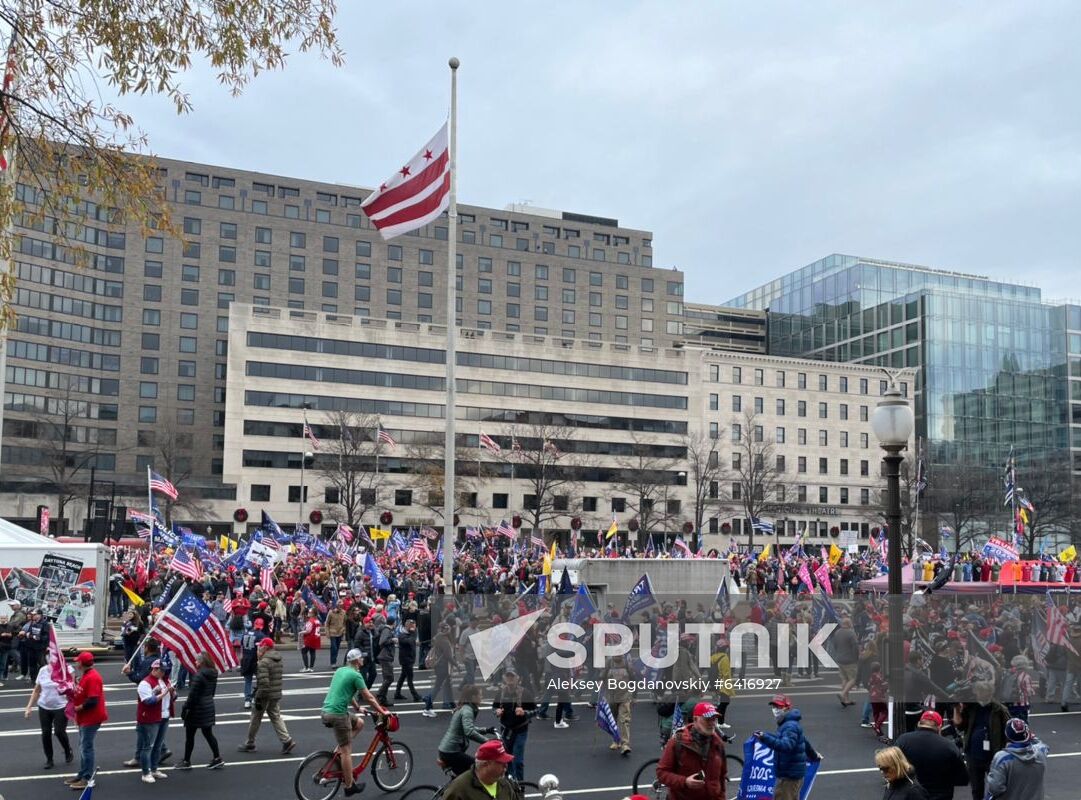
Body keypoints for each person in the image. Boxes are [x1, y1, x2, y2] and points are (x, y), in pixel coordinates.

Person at [320, 648, 389, 796]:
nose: (363, 660)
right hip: (338, 715)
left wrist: (358, 708)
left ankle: (339, 750)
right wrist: (382, 712)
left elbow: (346, 691)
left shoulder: (340, 670)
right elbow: (369, 697)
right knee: (347, 752)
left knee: (359, 723)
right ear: (357, 661)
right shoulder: (356, 675)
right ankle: (349, 786)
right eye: (361, 658)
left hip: (326, 711)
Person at [655, 701, 727, 800]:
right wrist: (685, 781)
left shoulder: (718, 744)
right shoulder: (677, 742)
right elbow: (661, 773)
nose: (712, 723)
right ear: (695, 719)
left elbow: (721, 778)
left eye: (714, 719)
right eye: (707, 719)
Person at [754, 694, 820, 800]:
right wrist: (814, 755)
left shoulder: (790, 726)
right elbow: (803, 741)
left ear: (787, 708)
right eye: (774, 707)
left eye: (779, 707)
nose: (775, 710)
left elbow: (786, 746)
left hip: (789, 777)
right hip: (791, 775)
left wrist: (765, 738)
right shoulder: (789, 724)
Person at [952, 681, 1009, 800]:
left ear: (989, 693)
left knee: (996, 788)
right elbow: (959, 725)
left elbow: (1008, 731)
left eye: (980, 692)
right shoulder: (971, 708)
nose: (977, 694)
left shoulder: (999, 710)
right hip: (973, 756)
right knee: (976, 789)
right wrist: (956, 709)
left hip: (993, 757)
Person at [238, 638, 296, 754]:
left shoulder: (263, 662)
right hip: (275, 693)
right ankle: (287, 740)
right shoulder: (277, 659)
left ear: (265, 648)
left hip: (265, 695)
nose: (258, 649)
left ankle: (250, 743)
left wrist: (258, 698)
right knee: (276, 717)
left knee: (255, 718)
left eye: (260, 647)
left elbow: (264, 683)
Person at [895, 711, 968, 800]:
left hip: (910, 794)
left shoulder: (903, 740)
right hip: (940, 796)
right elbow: (963, 779)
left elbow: (892, 766)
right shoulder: (949, 746)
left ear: (919, 724)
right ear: (940, 727)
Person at [65, 651, 108, 791]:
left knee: (86, 747)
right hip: (85, 717)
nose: (76, 663)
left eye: (78, 661)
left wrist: (78, 708)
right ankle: (82, 773)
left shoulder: (93, 677)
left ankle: (87, 778)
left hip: (91, 717)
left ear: (82, 663)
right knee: (83, 746)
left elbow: (93, 701)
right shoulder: (87, 675)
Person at [24, 651, 74, 769]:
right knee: (45, 733)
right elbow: (37, 690)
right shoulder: (43, 671)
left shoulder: (67, 669)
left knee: (59, 731)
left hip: (61, 706)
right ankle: (49, 759)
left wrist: (74, 708)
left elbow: (72, 689)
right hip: (44, 706)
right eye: (48, 657)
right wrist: (29, 707)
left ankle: (67, 750)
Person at [176, 652, 225, 770]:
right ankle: (217, 758)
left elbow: (192, 696)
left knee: (190, 736)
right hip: (208, 705)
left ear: (202, 662)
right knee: (208, 734)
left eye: (197, 661)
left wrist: (185, 708)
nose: (195, 662)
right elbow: (212, 692)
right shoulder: (213, 673)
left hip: (196, 709)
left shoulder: (198, 676)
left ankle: (187, 761)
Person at [438, 684, 495, 776]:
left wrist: (486, 730)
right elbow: (469, 731)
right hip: (451, 752)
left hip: (446, 750)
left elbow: (467, 728)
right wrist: (487, 742)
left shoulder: (465, 707)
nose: (482, 697)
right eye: (480, 695)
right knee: (477, 768)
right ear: (473, 697)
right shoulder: (468, 710)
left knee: (462, 776)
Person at [985, 718, 1048, 800]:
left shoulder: (1002, 758)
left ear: (1007, 736)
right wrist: (1029, 736)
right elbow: (1040, 743)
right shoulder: (1041, 751)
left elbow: (995, 789)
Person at [491, 667, 536, 782]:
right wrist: (496, 711)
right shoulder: (500, 693)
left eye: (512, 676)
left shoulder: (525, 693)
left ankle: (520, 786)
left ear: (518, 679)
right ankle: (510, 784)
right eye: (508, 676)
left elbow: (536, 711)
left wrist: (525, 713)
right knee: (506, 759)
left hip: (520, 731)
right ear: (504, 678)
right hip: (505, 731)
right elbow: (494, 707)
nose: (510, 679)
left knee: (518, 761)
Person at [135, 659, 176, 783]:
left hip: (164, 716)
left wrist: (172, 692)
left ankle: (154, 769)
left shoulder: (165, 680)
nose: (164, 673)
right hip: (149, 718)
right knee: (147, 746)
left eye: (165, 671)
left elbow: (173, 697)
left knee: (158, 746)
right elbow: (149, 701)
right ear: (155, 669)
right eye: (162, 671)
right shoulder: (144, 683)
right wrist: (164, 693)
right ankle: (145, 773)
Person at [442, 739, 522, 800]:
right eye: (501, 763)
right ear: (486, 764)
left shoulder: (506, 785)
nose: (506, 766)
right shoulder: (459, 789)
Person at [601, 654, 634, 755]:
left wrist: (634, 696)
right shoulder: (608, 663)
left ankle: (625, 744)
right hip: (611, 696)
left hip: (625, 696)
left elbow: (633, 679)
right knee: (613, 720)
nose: (617, 656)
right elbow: (602, 677)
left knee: (624, 720)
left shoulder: (628, 663)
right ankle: (616, 740)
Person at [834, 617, 861, 707]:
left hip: (840, 658)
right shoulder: (851, 633)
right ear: (849, 624)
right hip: (849, 659)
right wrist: (856, 657)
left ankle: (846, 699)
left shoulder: (837, 632)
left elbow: (835, 645)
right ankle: (843, 694)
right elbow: (855, 647)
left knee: (844, 679)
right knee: (853, 679)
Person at [394, 618, 422, 702]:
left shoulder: (410, 634)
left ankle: (397, 693)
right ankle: (415, 695)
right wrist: (413, 634)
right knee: (410, 678)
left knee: (403, 676)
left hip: (410, 659)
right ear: (407, 626)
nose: (414, 628)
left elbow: (412, 641)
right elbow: (410, 641)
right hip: (406, 660)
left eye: (414, 626)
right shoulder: (402, 636)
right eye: (412, 626)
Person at [239, 622, 261, 708]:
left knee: (248, 681)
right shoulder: (260, 635)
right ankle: (256, 696)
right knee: (260, 680)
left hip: (246, 659)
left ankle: (247, 700)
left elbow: (241, 647)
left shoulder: (245, 634)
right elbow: (259, 650)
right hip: (255, 661)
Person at [325, 601, 347, 667]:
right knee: (333, 647)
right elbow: (327, 623)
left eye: (341, 605)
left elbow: (345, 622)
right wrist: (327, 632)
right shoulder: (331, 612)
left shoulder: (343, 612)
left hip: (340, 632)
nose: (340, 607)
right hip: (332, 632)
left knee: (337, 648)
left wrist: (344, 630)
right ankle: (333, 663)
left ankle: (334, 660)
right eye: (339, 605)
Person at [301, 608, 321, 673]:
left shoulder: (310, 621)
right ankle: (311, 667)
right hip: (316, 638)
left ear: (313, 613)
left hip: (309, 638)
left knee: (304, 652)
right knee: (312, 652)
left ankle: (306, 667)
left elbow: (308, 631)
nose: (308, 613)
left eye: (310, 612)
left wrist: (301, 632)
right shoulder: (317, 620)